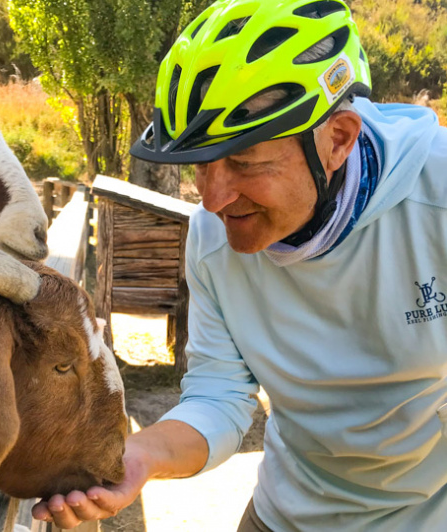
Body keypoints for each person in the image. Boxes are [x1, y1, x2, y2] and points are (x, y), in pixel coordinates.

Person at [33, 0, 447, 529]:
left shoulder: (435, 197)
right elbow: (219, 398)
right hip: (286, 513)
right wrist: (138, 457)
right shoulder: (212, 238)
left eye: (244, 164)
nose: (212, 200)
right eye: (200, 167)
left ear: (337, 139)